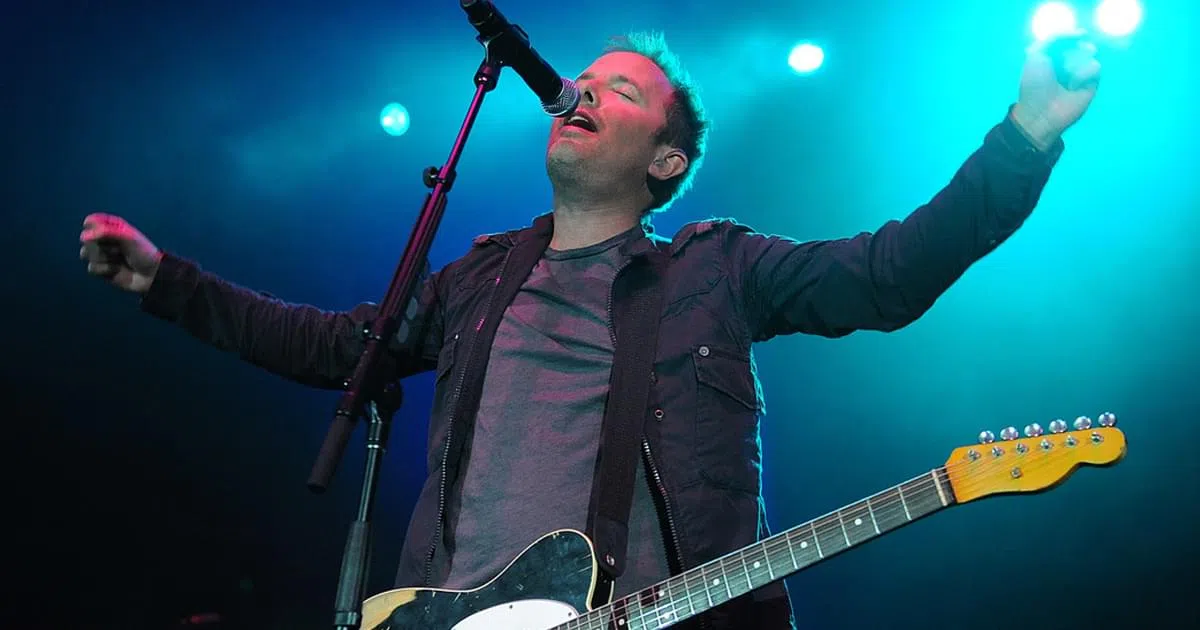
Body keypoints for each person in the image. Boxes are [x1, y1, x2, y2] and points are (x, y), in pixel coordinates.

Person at [80, 30, 1100, 630]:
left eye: (621, 90)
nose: (581, 90)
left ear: (665, 160)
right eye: (585, 79)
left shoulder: (716, 270)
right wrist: (167, 281)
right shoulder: (479, 279)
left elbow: (886, 276)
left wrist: (1025, 138)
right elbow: (333, 350)